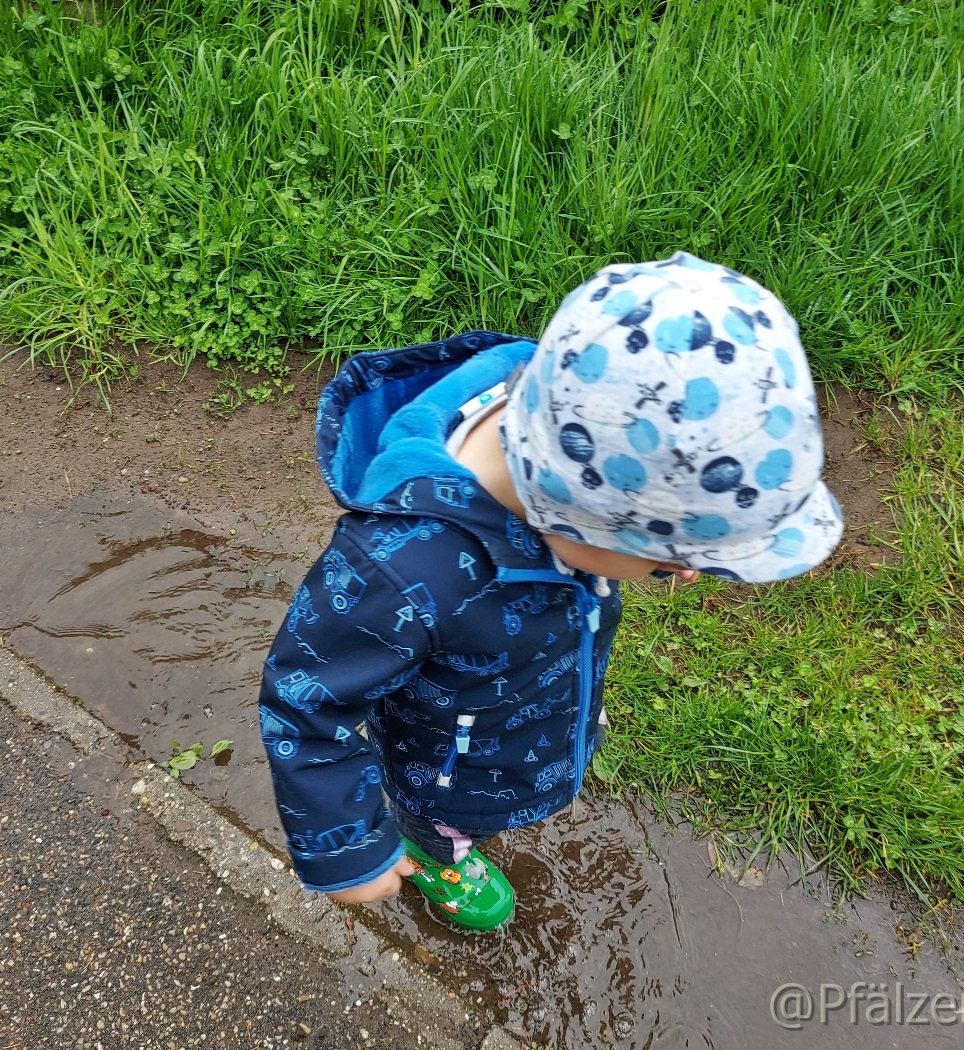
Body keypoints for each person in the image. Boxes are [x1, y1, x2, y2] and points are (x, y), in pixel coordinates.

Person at [257, 251, 843, 930]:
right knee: (447, 825)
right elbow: (304, 702)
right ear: (574, 517)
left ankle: (545, 742)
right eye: (670, 555)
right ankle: (437, 854)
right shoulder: (402, 571)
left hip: (526, 703)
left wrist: (651, 557)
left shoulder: (578, 413)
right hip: (446, 773)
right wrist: (345, 848)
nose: (685, 571)